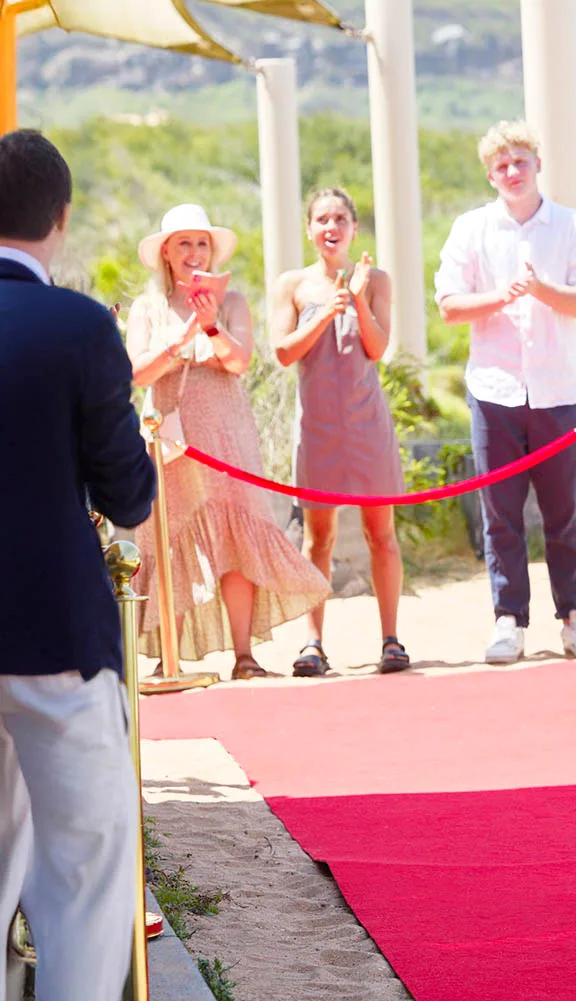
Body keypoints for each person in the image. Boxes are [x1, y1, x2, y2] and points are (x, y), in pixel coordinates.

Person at [0, 129, 156, 1000]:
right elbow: (127, 494)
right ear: (60, 217)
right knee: (89, 862)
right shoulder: (80, 325)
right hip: (55, 630)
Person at [127, 204, 330, 680]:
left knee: (237, 537)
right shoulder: (147, 307)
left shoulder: (232, 302)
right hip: (170, 438)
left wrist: (211, 325)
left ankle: (245, 656)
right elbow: (138, 373)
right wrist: (184, 337)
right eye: (184, 243)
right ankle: (168, 657)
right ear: (166, 253)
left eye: (201, 243)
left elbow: (239, 362)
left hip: (225, 434)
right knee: (170, 538)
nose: (194, 252)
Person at [435, 120, 576, 664]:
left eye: (520, 162)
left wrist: (541, 289)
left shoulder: (571, 225)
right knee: (500, 514)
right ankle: (508, 619)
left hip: (559, 391)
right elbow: (449, 305)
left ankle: (575, 618)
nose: (512, 172)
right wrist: (502, 297)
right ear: (490, 174)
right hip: (495, 390)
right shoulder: (471, 228)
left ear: (537, 165)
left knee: (564, 515)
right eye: (501, 165)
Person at [271, 188, 411, 677]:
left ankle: (391, 639)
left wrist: (357, 300)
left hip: (366, 422)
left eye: (340, 219)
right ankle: (313, 643)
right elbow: (283, 352)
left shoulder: (375, 280)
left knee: (381, 534)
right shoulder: (292, 284)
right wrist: (328, 311)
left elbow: (378, 348)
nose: (331, 227)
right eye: (322, 219)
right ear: (309, 228)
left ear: (354, 227)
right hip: (319, 426)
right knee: (319, 539)